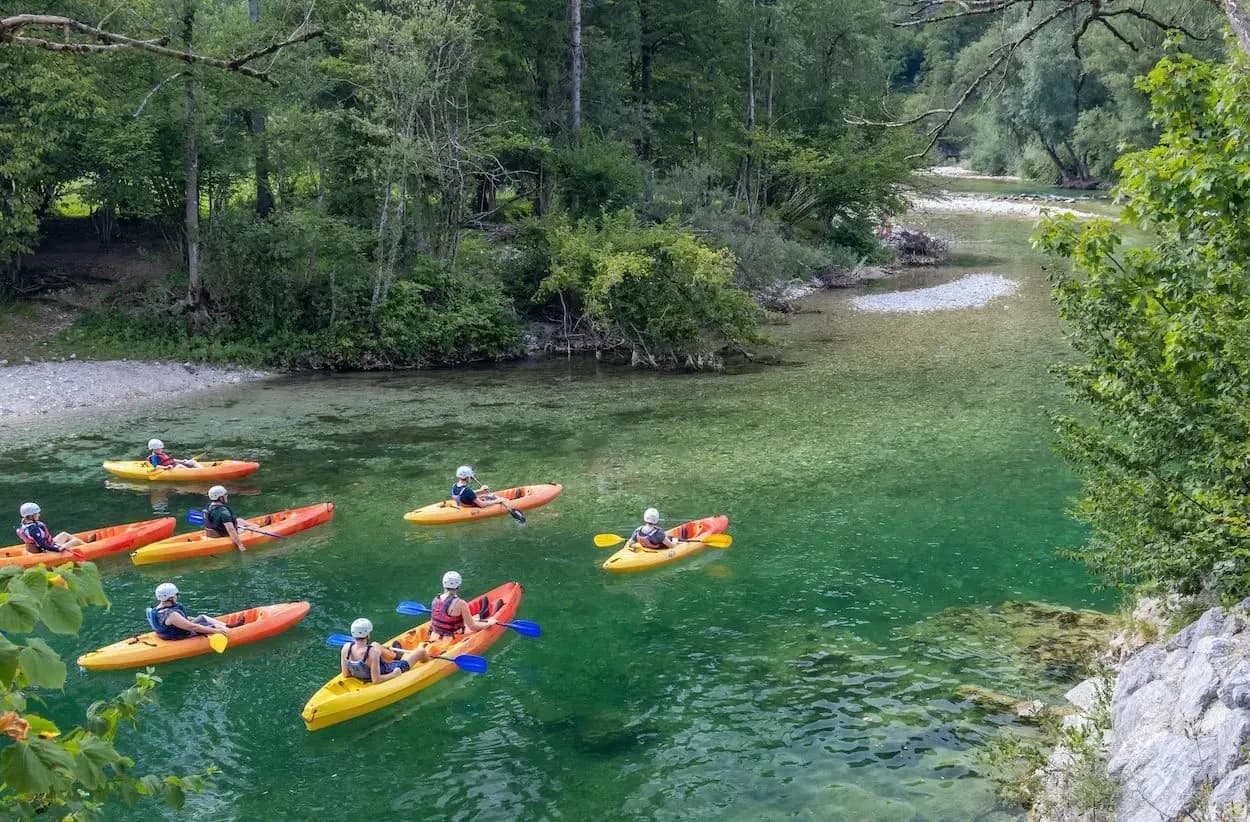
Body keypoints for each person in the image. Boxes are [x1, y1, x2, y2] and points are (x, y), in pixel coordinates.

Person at [341, 618, 430, 684]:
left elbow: (346, 674)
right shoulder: (372, 653)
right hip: (388, 670)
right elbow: (376, 680)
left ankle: (396, 656)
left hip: (367, 669)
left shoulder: (346, 648)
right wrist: (394, 674)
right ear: (368, 634)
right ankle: (429, 661)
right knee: (421, 651)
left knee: (375, 644)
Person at [147, 583, 234, 640]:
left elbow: (182, 620)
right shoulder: (172, 615)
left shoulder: (157, 609)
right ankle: (232, 633)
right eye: (177, 595)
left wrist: (198, 620)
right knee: (214, 626)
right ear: (171, 597)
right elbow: (192, 627)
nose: (178, 596)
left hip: (170, 632)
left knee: (202, 617)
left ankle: (230, 626)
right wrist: (215, 631)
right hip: (179, 635)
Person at [429, 571, 497, 641]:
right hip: (450, 638)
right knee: (475, 623)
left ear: (443, 584)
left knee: (467, 621)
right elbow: (473, 627)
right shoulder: (460, 603)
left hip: (434, 635)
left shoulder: (436, 599)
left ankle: (481, 614)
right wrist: (490, 623)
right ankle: (484, 615)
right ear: (458, 586)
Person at [449, 465, 521, 516]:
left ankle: (511, 499)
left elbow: (464, 494)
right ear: (467, 477)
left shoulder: (454, 486)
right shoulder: (467, 490)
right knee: (500, 499)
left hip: (464, 505)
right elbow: (482, 505)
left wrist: (481, 490)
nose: (471, 478)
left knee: (489, 496)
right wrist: (497, 501)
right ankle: (514, 501)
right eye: (470, 477)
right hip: (473, 507)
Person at [14, 502, 84, 554]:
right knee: (76, 541)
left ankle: (88, 545)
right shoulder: (33, 529)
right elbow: (43, 545)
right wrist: (58, 549)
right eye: (36, 513)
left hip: (46, 546)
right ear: (30, 516)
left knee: (64, 534)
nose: (39, 514)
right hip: (45, 551)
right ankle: (89, 547)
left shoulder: (23, 524)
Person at [202, 485, 251, 552]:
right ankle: (258, 527)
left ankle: (259, 526)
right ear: (220, 498)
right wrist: (240, 545)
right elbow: (231, 530)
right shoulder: (224, 512)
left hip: (214, 531)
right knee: (252, 529)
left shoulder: (210, 506)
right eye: (225, 495)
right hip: (222, 534)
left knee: (240, 520)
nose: (227, 496)